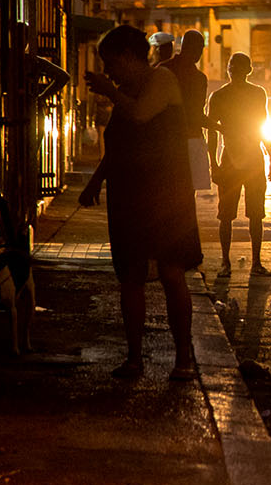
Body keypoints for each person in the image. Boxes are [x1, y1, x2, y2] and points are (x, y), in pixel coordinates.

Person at [78, 25, 202, 381]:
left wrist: (108, 92)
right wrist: (95, 181)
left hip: (167, 192)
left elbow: (140, 115)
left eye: (112, 63)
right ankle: (134, 359)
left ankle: (183, 360)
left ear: (132, 58)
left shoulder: (161, 81)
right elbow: (118, 145)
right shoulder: (126, 90)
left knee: (171, 272)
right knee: (130, 275)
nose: (110, 73)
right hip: (129, 192)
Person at [208, 52, 271, 278]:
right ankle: (247, 263)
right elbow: (262, 127)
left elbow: (261, 126)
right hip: (244, 160)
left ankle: (229, 263)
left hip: (238, 160)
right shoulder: (254, 94)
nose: (234, 72)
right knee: (246, 215)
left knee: (233, 215)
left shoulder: (223, 96)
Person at [164, 29, 212, 192]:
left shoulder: (164, 69)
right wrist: (221, 128)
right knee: (186, 193)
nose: (199, 53)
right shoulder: (198, 78)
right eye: (199, 48)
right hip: (188, 139)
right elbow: (196, 115)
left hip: (167, 140)